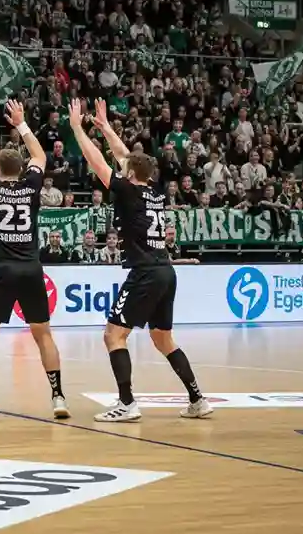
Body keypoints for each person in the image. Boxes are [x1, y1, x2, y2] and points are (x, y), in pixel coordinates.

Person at [68, 98, 212, 423]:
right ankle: (197, 399)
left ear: (130, 174)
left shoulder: (128, 191)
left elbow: (98, 162)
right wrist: (105, 127)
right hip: (165, 270)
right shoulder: (156, 191)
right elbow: (124, 157)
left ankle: (127, 403)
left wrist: (78, 128)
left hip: (146, 272)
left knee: (113, 336)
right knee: (163, 338)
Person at [0, 100, 69, 422]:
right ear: (21, 170)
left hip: (2, 269)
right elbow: (41, 157)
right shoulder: (32, 185)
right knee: (43, 334)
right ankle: (58, 397)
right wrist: (21, 124)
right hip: (32, 268)